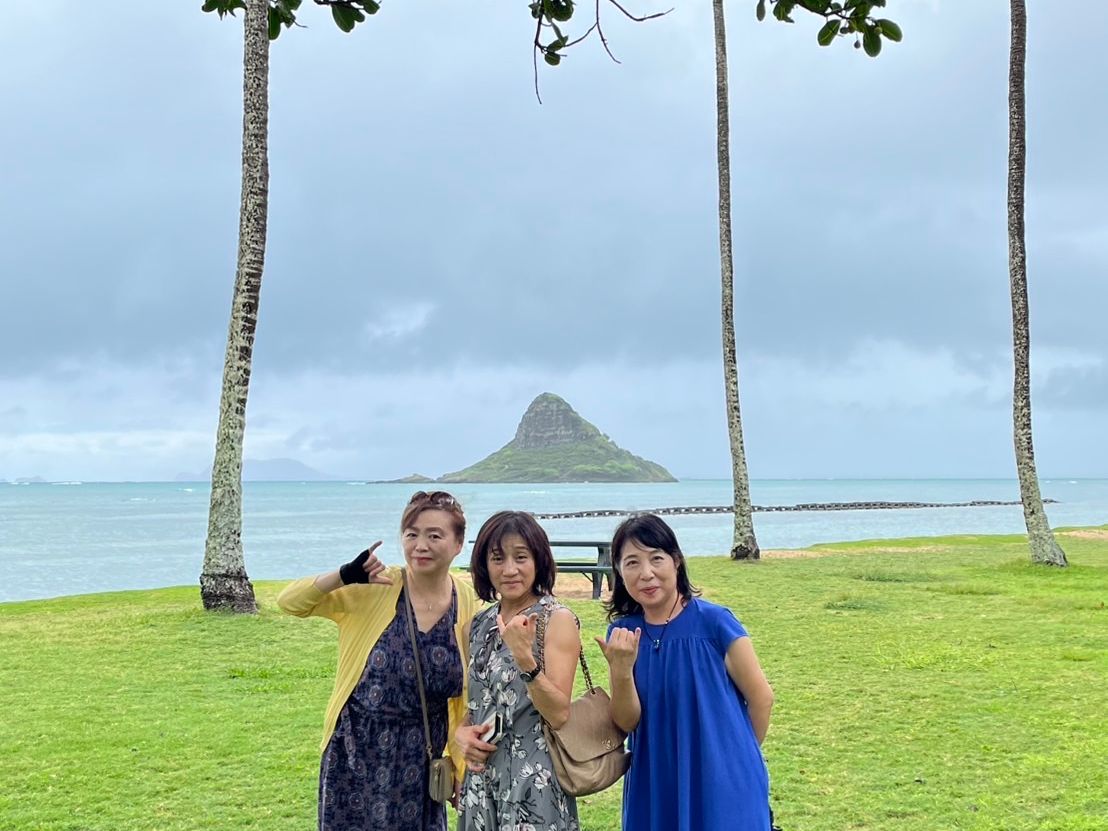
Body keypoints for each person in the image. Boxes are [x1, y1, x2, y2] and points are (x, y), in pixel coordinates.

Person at [277, 490, 479, 831]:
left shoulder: (467, 600)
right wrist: (344, 574)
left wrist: (459, 765)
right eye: (412, 534)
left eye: (434, 536)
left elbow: (463, 695)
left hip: (421, 759)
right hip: (355, 753)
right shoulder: (375, 587)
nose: (420, 546)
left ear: (458, 544)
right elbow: (290, 602)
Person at [595, 513, 774, 831]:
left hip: (724, 783)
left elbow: (761, 698)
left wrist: (735, 759)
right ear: (620, 572)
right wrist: (621, 671)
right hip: (655, 781)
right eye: (632, 563)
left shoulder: (716, 623)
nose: (646, 574)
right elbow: (626, 722)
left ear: (676, 561)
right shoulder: (623, 634)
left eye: (656, 558)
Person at [454, 510, 581, 831]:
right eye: (497, 558)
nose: (509, 569)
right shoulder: (477, 625)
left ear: (538, 560)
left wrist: (525, 658)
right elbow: (479, 704)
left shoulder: (556, 619)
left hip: (534, 783)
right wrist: (461, 734)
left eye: (521, 557)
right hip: (481, 781)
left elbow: (559, 714)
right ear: (484, 565)